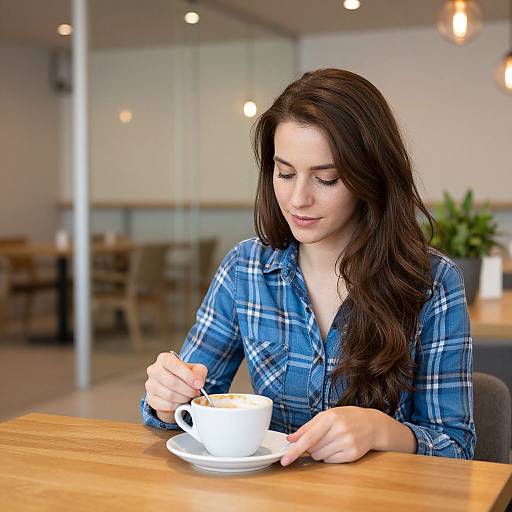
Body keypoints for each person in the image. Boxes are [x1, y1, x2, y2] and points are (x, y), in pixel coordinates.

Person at [141, 68, 476, 465]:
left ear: (371, 177)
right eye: (284, 173)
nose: (298, 199)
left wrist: (380, 430)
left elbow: (457, 447)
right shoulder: (245, 269)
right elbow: (194, 405)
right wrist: (168, 399)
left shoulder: (432, 282)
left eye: (327, 179)